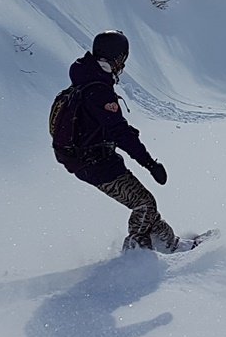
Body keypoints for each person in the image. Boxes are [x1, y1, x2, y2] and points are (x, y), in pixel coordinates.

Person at [52, 30, 179, 252]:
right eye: (122, 58)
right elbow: (119, 132)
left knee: (145, 205)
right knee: (145, 205)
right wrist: (150, 164)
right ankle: (135, 257)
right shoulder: (98, 91)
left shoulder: (87, 80)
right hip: (94, 163)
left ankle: (170, 245)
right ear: (114, 57)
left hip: (92, 160)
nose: (123, 65)